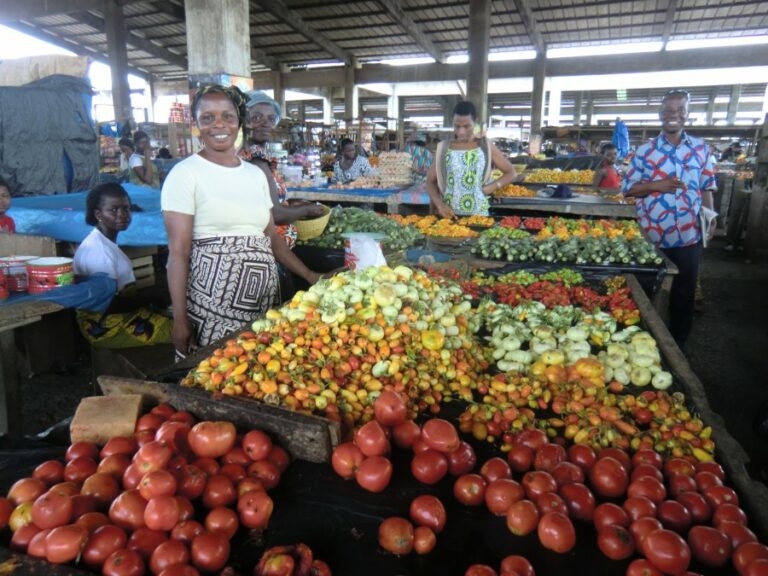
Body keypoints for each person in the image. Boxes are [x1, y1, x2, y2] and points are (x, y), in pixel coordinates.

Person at [162, 84, 324, 358]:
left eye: (227, 116)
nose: (219, 125)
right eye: (208, 117)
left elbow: (271, 237)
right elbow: (178, 252)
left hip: (263, 299)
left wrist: (309, 275)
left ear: (239, 121)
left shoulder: (255, 174)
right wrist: (180, 319)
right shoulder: (186, 174)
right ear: (197, 124)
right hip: (212, 303)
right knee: (214, 375)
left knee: (256, 374)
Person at [623, 89, 717, 346]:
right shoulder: (644, 151)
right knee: (647, 291)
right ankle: (642, 341)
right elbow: (628, 189)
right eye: (668, 111)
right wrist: (657, 185)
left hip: (688, 236)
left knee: (683, 294)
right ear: (660, 114)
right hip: (652, 237)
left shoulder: (701, 149)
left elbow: (707, 185)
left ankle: (677, 346)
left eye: (680, 110)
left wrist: (710, 216)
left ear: (687, 114)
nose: (673, 115)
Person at [243, 90, 324, 250]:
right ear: (242, 119)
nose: (265, 123)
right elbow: (275, 214)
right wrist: (306, 209)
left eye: (271, 119)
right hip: (265, 250)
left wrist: (291, 204)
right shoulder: (255, 158)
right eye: (256, 117)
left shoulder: (255, 155)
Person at [426, 101, 517, 218]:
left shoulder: (485, 146)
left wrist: (490, 188)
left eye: (466, 126)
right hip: (450, 216)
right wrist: (440, 205)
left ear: (475, 122)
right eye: (457, 126)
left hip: (478, 216)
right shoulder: (443, 148)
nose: (461, 131)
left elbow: (511, 173)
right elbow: (429, 182)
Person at [73, 183, 135, 290]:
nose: (122, 215)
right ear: (98, 215)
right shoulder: (100, 254)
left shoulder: (103, 242)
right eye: (114, 210)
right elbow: (109, 300)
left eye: (126, 209)